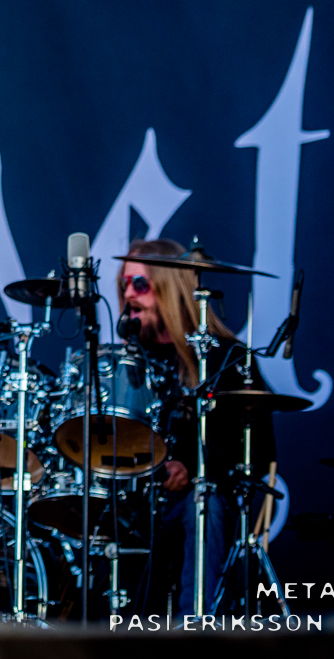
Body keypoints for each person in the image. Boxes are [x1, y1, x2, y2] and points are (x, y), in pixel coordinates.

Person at [117, 238, 276, 616]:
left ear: (169, 286)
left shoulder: (227, 359)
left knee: (203, 504)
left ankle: (194, 632)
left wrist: (189, 469)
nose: (128, 295)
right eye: (124, 284)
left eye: (140, 284)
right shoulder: (128, 362)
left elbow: (259, 453)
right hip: (132, 501)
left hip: (193, 502)